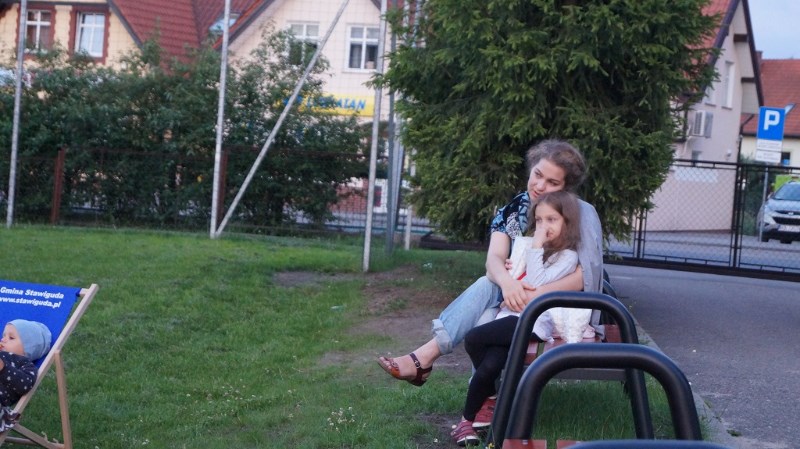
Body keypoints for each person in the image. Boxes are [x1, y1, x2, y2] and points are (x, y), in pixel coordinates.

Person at [377, 139, 603, 388]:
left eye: (552, 182)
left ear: (566, 187)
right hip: (513, 298)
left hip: (558, 306)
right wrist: (508, 284)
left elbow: (586, 276)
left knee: (487, 311)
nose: (540, 186)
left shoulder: (580, 213)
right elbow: (493, 260)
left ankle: (432, 364)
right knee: (487, 298)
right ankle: (480, 395)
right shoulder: (514, 210)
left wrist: (534, 295)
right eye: (537, 175)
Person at [451, 190, 586, 445]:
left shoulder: (567, 256)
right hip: (512, 316)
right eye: (539, 220)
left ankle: (483, 406)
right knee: (489, 366)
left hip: (533, 322)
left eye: (551, 220)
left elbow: (536, 283)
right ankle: (470, 420)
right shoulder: (532, 248)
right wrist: (511, 275)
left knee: (474, 338)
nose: (543, 228)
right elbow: (514, 280)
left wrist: (535, 247)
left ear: (567, 222)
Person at [0, 319, 51, 407]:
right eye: (4, 336)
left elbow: (24, 385)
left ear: (28, 349)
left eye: (11, 338)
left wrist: (4, 369)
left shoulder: (25, 364)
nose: (3, 340)